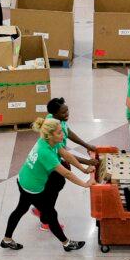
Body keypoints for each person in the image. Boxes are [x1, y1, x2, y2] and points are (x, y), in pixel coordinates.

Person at [1, 116, 94, 251]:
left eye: (61, 131)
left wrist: (84, 169)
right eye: (59, 133)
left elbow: (66, 155)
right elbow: (66, 173)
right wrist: (85, 184)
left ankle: (6, 240)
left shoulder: (48, 141)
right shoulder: (45, 152)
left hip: (24, 179)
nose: (63, 134)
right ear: (50, 135)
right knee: (51, 214)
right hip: (32, 188)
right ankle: (66, 243)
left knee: (21, 209)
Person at [31, 97, 99, 231]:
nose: (67, 114)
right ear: (55, 114)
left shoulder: (58, 120)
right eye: (63, 113)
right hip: (51, 164)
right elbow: (64, 154)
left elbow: (69, 133)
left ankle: (41, 208)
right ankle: (46, 221)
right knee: (53, 190)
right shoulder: (53, 129)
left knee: (54, 188)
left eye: (67, 111)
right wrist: (86, 164)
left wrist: (86, 145)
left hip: (54, 162)